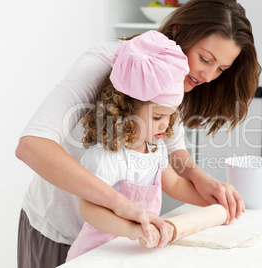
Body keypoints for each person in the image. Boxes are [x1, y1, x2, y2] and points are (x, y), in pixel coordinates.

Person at [16, 0, 260, 267]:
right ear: (179, 31)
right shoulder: (104, 63)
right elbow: (32, 145)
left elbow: (172, 152)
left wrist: (202, 180)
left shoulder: (175, 80)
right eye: (205, 59)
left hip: (119, 246)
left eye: (221, 69)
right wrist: (123, 207)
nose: (209, 76)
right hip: (58, 234)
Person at [65, 30, 210, 261]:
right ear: (126, 109)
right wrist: (133, 230)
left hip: (135, 251)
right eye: (156, 117)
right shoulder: (107, 156)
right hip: (99, 254)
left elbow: (172, 182)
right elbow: (89, 208)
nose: (164, 124)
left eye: (169, 117)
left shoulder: (155, 148)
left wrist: (212, 203)